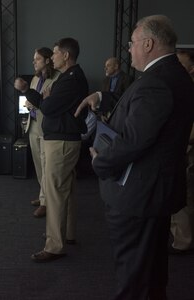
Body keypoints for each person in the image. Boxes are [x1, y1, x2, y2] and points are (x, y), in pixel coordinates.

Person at [74, 15, 194, 299]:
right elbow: (142, 112)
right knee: (152, 274)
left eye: (132, 43)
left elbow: (134, 140)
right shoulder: (174, 76)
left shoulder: (156, 82)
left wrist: (98, 162)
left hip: (139, 195)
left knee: (134, 278)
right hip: (157, 192)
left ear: (149, 43)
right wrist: (103, 98)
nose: (129, 49)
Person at [15, 37, 88, 262]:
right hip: (64, 139)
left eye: (55, 53)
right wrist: (40, 96)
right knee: (65, 189)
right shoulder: (69, 77)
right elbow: (48, 103)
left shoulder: (70, 80)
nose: (52, 57)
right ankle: (67, 233)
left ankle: (55, 245)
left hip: (62, 141)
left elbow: (49, 106)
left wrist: (41, 97)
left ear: (65, 56)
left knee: (55, 193)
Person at [19, 47, 60, 218]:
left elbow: (49, 103)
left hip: (46, 126)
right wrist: (30, 103)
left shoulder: (58, 79)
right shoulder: (36, 78)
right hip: (33, 124)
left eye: (37, 59)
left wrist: (37, 102)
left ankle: (46, 202)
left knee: (46, 165)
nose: (33, 62)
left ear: (47, 60)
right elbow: (35, 98)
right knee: (38, 164)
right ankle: (43, 196)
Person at [169, 49, 194, 254]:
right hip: (182, 148)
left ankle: (183, 241)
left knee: (184, 195)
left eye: (180, 64)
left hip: (187, 148)